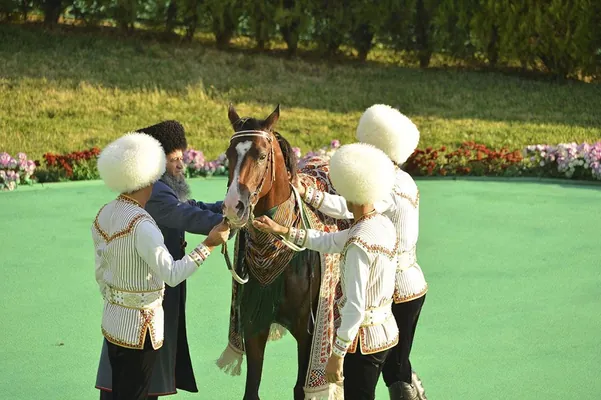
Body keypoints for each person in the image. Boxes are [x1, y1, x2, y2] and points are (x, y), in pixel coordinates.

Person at [294, 104, 428, 400]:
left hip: (393, 289)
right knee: (397, 365)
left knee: (390, 371)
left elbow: (351, 207)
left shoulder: (387, 186)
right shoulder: (403, 178)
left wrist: (309, 194)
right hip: (412, 281)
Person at [253, 143, 399, 400]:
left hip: (361, 342)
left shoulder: (357, 244)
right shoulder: (380, 224)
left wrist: (337, 355)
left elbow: (354, 306)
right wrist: (282, 230)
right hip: (385, 334)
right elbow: (328, 241)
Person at [91, 132, 230, 400]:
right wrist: (209, 245)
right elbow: (172, 274)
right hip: (142, 329)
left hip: (113, 320)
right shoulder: (142, 225)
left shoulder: (104, 214)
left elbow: (100, 273)